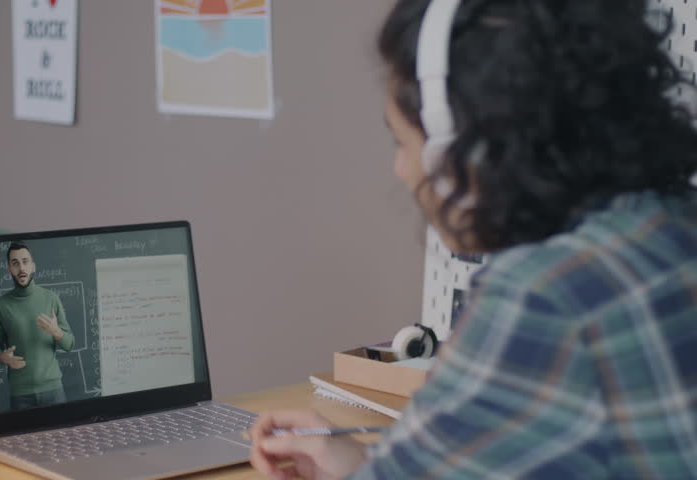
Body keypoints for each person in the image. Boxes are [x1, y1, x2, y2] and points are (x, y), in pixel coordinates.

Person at [249, 0, 697, 478]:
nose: (401, 171)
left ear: (469, 149)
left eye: (402, 143)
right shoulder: (673, 227)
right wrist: (359, 466)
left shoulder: (544, 296)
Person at [0, 242, 76, 410]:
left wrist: (56, 332)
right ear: (9, 268)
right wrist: (2, 358)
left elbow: (70, 344)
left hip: (54, 392)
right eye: (15, 263)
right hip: (20, 395)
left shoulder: (51, 298)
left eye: (25, 261)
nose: (21, 268)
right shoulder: (1, 305)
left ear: (33, 266)